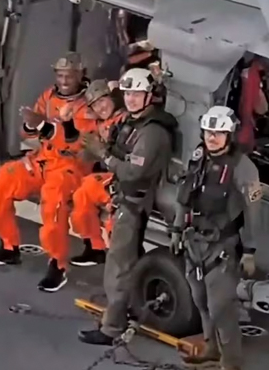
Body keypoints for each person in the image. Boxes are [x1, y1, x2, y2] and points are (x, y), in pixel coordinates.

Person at [0, 52, 97, 292]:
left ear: (81, 74)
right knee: (3, 181)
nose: (64, 81)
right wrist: (31, 124)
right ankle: (9, 247)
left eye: (69, 75)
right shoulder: (49, 96)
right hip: (43, 160)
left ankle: (58, 264)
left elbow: (75, 143)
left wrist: (43, 126)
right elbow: (28, 132)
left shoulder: (88, 105)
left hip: (70, 167)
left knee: (53, 204)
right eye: (60, 75)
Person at [77, 67, 178, 345]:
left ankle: (111, 328)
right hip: (126, 198)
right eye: (128, 93)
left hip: (134, 202)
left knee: (118, 266)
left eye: (137, 94)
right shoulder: (132, 124)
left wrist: (103, 154)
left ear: (149, 96)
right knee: (125, 260)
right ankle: (128, 308)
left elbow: (133, 172)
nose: (131, 99)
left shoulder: (152, 132)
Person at [168, 105, 261, 370]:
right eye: (208, 132)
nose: (212, 137)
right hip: (194, 242)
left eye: (218, 133)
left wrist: (250, 251)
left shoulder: (243, 167)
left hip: (222, 246)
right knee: (200, 300)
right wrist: (176, 230)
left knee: (221, 307)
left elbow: (254, 212)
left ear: (229, 135)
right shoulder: (199, 157)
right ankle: (211, 348)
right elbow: (184, 196)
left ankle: (231, 362)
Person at [69, 80, 127, 267]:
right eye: (95, 105)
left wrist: (102, 149)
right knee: (81, 196)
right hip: (111, 174)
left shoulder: (125, 119)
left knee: (113, 214)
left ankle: (120, 261)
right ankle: (94, 248)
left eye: (102, 101)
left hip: (127, 176)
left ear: (112, 98)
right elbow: (77, 119)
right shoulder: (99, 123)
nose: (100, 108)